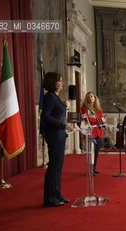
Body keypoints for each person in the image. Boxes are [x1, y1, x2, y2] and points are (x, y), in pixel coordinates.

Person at [41, 72, 74, 207]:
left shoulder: (55, 97)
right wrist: (63, 125)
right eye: (60, 81)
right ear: (52, 82)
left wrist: (65, 106)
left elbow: (57, 113)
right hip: (54, 135)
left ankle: (57, 194)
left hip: (59, 135)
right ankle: (50, 198)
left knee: (58, 168)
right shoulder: (49, 97)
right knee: (54, 167)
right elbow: (46, 117)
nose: (62, 83)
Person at [80, 92, 105, 176]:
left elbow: (102, 119)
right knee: (91, 152)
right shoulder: (84, 108)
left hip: (99, 132)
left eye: (92, 96)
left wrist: (98, 120)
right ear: (86, 99)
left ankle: (94, 168)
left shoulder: (98, 108)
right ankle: (90, 169)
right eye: (89, 97)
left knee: (97, 152)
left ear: (95, 98)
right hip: (90, 132)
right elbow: (88, 120)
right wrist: (98, 120)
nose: (91, 98)